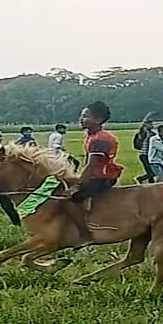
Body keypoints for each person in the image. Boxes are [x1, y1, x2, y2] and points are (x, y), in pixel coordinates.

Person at [54, 101, 124, 241]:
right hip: (97, 175)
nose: (81, 119)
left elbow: (92, 165)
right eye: (81, 115)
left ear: (98, 120)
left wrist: (77, 185)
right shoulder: (92, 136)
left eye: (85, 116)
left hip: (101, 177)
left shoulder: (100, 139)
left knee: (69, 199)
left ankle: (84, 234)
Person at [132, 115, 156, 184]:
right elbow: (142, 126)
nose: (152, 125)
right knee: (151, 172)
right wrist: (148, 116)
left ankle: (152, 184)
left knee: (152, 172)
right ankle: (139, 179)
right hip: (144, 155)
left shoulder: (152, 133)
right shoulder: (143, 133)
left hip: (151, 154)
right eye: (150, 124)